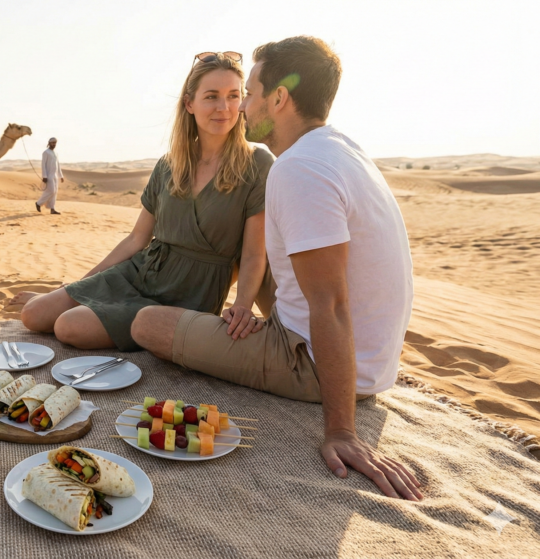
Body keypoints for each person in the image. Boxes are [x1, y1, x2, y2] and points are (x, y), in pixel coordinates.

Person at [130, 37, 423, 501]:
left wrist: (342, 431)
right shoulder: (339, 149)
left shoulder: (298, 168)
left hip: (312, 361)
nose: (241, 107)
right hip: (371, 356)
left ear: (279, 98)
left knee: (147, 323)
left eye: (248, 93)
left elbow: (331, 304)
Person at [20, 52, 275, 351]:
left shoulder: (257, 163)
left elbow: (255, 254)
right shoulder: (170, 163)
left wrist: (243, 305)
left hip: (189, 293)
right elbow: (136, 239)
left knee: (68, 327)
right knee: (33, 315)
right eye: (212, 96)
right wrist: (78, 284)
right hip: (140, 272)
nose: (224, 107)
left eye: (234, 95)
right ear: (189, 104)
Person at [36, 137, 64, 215]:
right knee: (51, 191)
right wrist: (44, 176)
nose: (54, 144)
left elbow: (58, 165)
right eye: (52, 143)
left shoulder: (56, 153)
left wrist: (61, 175)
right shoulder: (46, 152)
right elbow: (43, 165)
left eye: (55, 143)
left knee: (55, 192)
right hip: (49, 176)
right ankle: (38, 203)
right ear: (49, 143)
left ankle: (52, 208)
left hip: (55, 176)